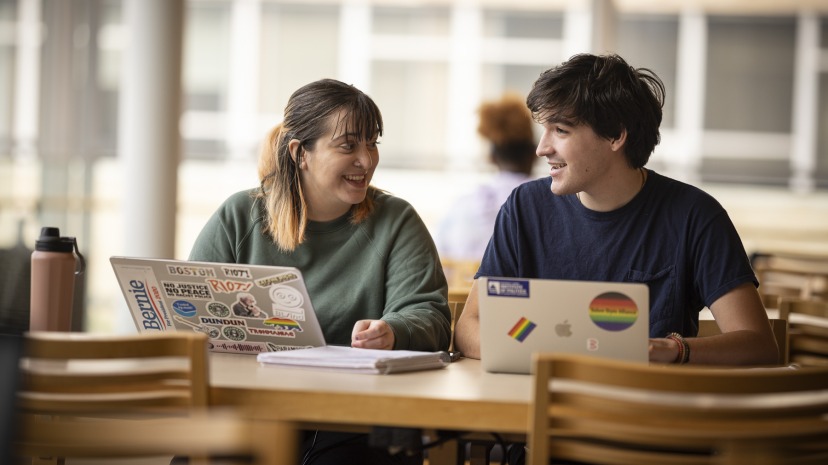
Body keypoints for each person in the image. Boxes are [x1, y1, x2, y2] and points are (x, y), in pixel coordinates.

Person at [454, 53, 778, 367]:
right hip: (535, 407)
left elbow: (758, 344)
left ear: (615, 136)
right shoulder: (524, 208)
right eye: (544, 129)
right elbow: (469, 327)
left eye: (561, 131)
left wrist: (675, 349)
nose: (542, 148)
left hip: (640, 414)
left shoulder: (696, 217)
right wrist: (546, 356)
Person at [189, 78, 451, 465]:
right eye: (348, 145)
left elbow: (430, 314)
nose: (366, 160)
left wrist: (392, 331)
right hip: (250, 408)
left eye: (372, 143)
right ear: (300, 153)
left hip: (355, 419)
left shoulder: (396, 221)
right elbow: (189, 312)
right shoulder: (238, 216)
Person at [435, 94, 538, 261]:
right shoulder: (553, 203)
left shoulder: (462, 206)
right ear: (535, 153)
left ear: (491, 157)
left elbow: (439, 256)